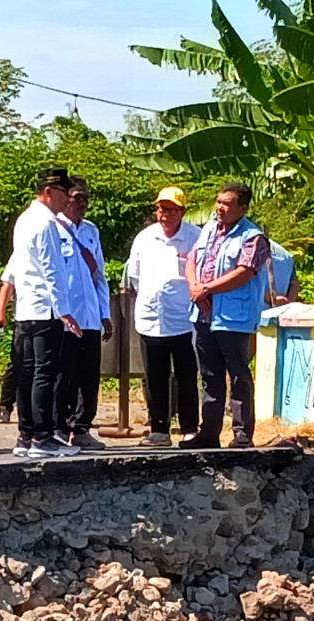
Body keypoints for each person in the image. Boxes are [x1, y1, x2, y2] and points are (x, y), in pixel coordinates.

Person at [182, 181, 270, 450]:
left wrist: (206, 288)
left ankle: (242, 434)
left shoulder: (253, 237)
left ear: (242, 208)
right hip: (203, 315)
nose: (219, 208)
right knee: (209, 375)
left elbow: (244, 273)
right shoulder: (209, 228)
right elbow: (191, 260)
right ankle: (208, 433)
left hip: (233, 318)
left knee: (238, 375)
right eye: (218, 202)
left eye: (226, 204)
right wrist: (195, 288)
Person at [10, 168, 83, 459]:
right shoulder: (46, 223)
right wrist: (64, 311)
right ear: (49, 192)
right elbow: (52, 269)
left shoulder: (24, 220)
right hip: (45, 309)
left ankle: (26, 435)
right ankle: (42, 436)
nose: (67, 201)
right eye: (64, 194)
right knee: (44, 373)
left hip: (27, 307)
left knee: (28, 373)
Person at [124, 186, 202, 448]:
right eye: (161, 209)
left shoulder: (195, 238)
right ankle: (159, 429)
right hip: (149, 318)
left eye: (171, 210)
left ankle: (190, 427)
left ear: (182, 212)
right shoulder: (144, 238)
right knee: (155, 376)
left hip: (183, 319)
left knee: (186, 375)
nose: (165, 214)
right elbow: (134, 277)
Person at [54, 176, 111, 451]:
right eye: (76, 197)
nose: (82, 204)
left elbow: (99, 276)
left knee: (89, 377)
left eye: (85, 198)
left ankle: (82, 428)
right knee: (64, 376)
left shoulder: (91, 231)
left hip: (88, 316)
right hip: (65, 318)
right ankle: (59, 428)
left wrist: (105, 313)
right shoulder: (52, 229)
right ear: (65, 198)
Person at [267, 240, 301, 306]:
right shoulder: (286, 254)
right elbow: (294, 284)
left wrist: (268, 297)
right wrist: (287, 303)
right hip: (279, 310)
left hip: (252, 309)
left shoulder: (248, 249)